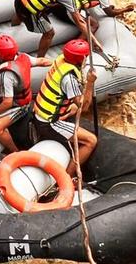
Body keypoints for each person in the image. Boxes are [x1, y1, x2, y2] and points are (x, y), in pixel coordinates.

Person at [13, 39, 97, 176]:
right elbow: (85, 106)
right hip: (48, 122)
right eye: (86, 57)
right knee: (91, 141)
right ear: (81, 59)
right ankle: (68, 176)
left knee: (74, 109)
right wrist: (90, 83)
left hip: (41, 110)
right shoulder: (69, 78)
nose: (87, 60)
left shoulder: (61, 59)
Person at [54, 0, 134, 58]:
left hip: (58, 3)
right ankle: (73, 50)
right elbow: (110, 13)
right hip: (67, 10)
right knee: (93, 25)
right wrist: (126, 9)